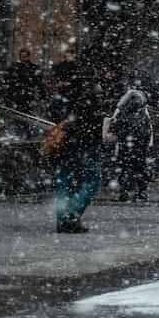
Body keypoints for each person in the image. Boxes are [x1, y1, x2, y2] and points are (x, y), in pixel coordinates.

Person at [47, 78, 107, 234]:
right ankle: (72, 216)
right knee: (91, 182)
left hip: (67, 148)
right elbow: (96, 128)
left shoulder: (66, 101)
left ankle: (62, 220)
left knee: (65, 184)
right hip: (86, 147)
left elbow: (57, 116)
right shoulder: (94, 105)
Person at [108, 83, 153, 202]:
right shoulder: (143, 113)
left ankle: (125, 191)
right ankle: (141, 192)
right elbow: (148, 130)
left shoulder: (122, 112)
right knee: (140, 168)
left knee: (125, 168)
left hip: (126, 144)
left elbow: (115, 127)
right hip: (139, 145)